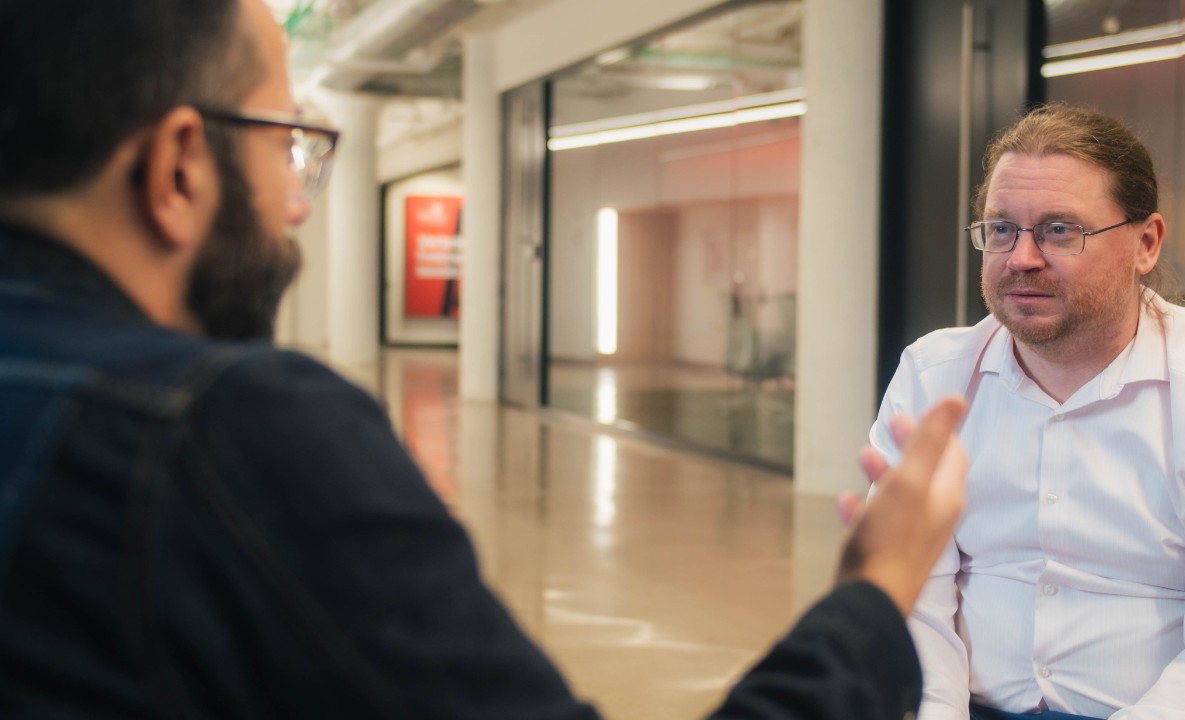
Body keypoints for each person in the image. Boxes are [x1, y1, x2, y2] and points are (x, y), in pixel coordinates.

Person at [0, 1, 971, 717]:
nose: (298, 203)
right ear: (179, 167)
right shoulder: (229, 430)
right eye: (286, 146)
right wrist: (876, 591)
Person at [868, 103, 1185, 720]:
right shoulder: (933, 380)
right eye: (1001, 229)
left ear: (1145, 243)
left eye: (1061, 230)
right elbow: (913, 602)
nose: (1022, 257)